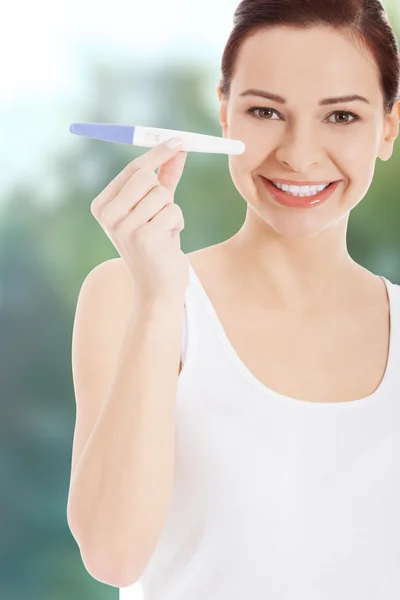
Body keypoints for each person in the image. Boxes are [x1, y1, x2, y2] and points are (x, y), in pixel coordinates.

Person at [67, 0, 400, 597]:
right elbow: (113, 558)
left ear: (389, 126)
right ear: (224, 115)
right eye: (266, 111)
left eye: (342, 117)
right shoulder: (130, 293)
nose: (299, 154)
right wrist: (160, 300)